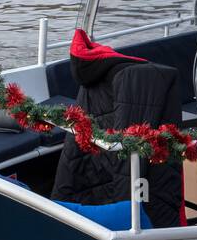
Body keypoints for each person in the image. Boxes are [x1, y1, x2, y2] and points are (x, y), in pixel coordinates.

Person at [51, 30, 183, 229]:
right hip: (133, 205)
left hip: (91, 192)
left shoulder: (95, 71)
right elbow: (130, 163)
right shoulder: (138, 79)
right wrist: (129, 217)